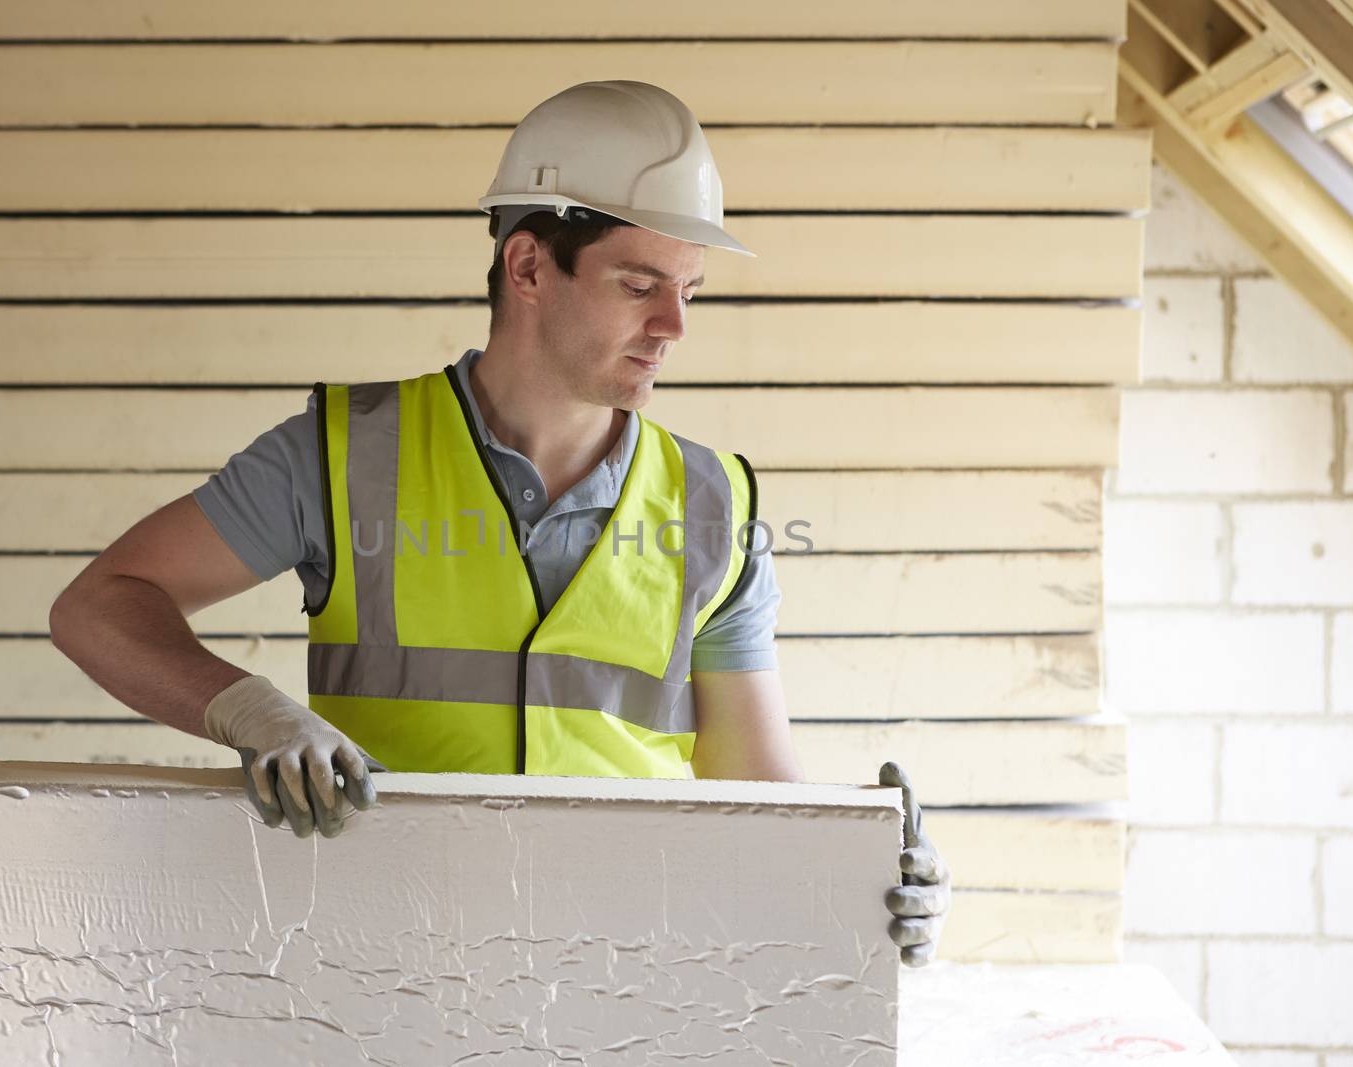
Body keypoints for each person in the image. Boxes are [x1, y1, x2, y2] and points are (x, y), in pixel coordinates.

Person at [49, 80, 948, 966]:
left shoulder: (715, 506)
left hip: (630, 981)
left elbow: (754, 796)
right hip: (386, 966)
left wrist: (864, 878)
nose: (674, 324)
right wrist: (252, 711)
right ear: (527, 266)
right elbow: (99, 606)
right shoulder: (341, 457)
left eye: (690, 289)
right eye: (639, 284)